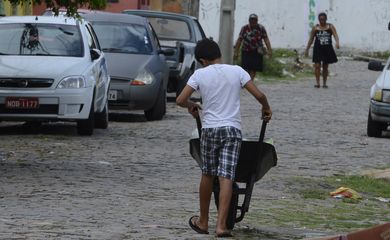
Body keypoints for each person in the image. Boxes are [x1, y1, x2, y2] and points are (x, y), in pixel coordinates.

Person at [176, 38, 272, 237]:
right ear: (218, 54)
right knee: (226, 176)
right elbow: (259, 95)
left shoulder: (200, 74)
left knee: (208, 174)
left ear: (202, 60)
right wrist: (266, 107)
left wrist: (191, 106)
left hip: (210, 130)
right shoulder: (237, 71)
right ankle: (221, 226)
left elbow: (180, 99)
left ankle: (203, 222)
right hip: (232, 130)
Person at [305, 12, 340, 88]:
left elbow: (335, 35)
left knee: (325, 66)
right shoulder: (315, 28)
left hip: (327, 49)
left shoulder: (330, 27)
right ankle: (317, 83)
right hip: (318, 49)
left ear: (326, 19)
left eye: (323, 19)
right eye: (320, 20)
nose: (322, 21)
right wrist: (307, 49)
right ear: (318, 20)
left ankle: (324, 83)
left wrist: (337, 42)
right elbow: (311, 39)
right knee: (317, 65)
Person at [234, 13, 272, 81]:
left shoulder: (261, 28)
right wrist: (236, 52)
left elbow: (266, 39)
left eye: (254, 20)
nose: (253, 22)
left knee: (254, 69)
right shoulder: (244, 28)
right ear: (249, 21)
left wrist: (269, 50)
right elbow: (239, 40)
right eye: (251, 20)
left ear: (257, 21)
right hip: (246, 50)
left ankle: (250, 82)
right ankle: (246, 81)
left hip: (257, 51)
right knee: (245, 68)